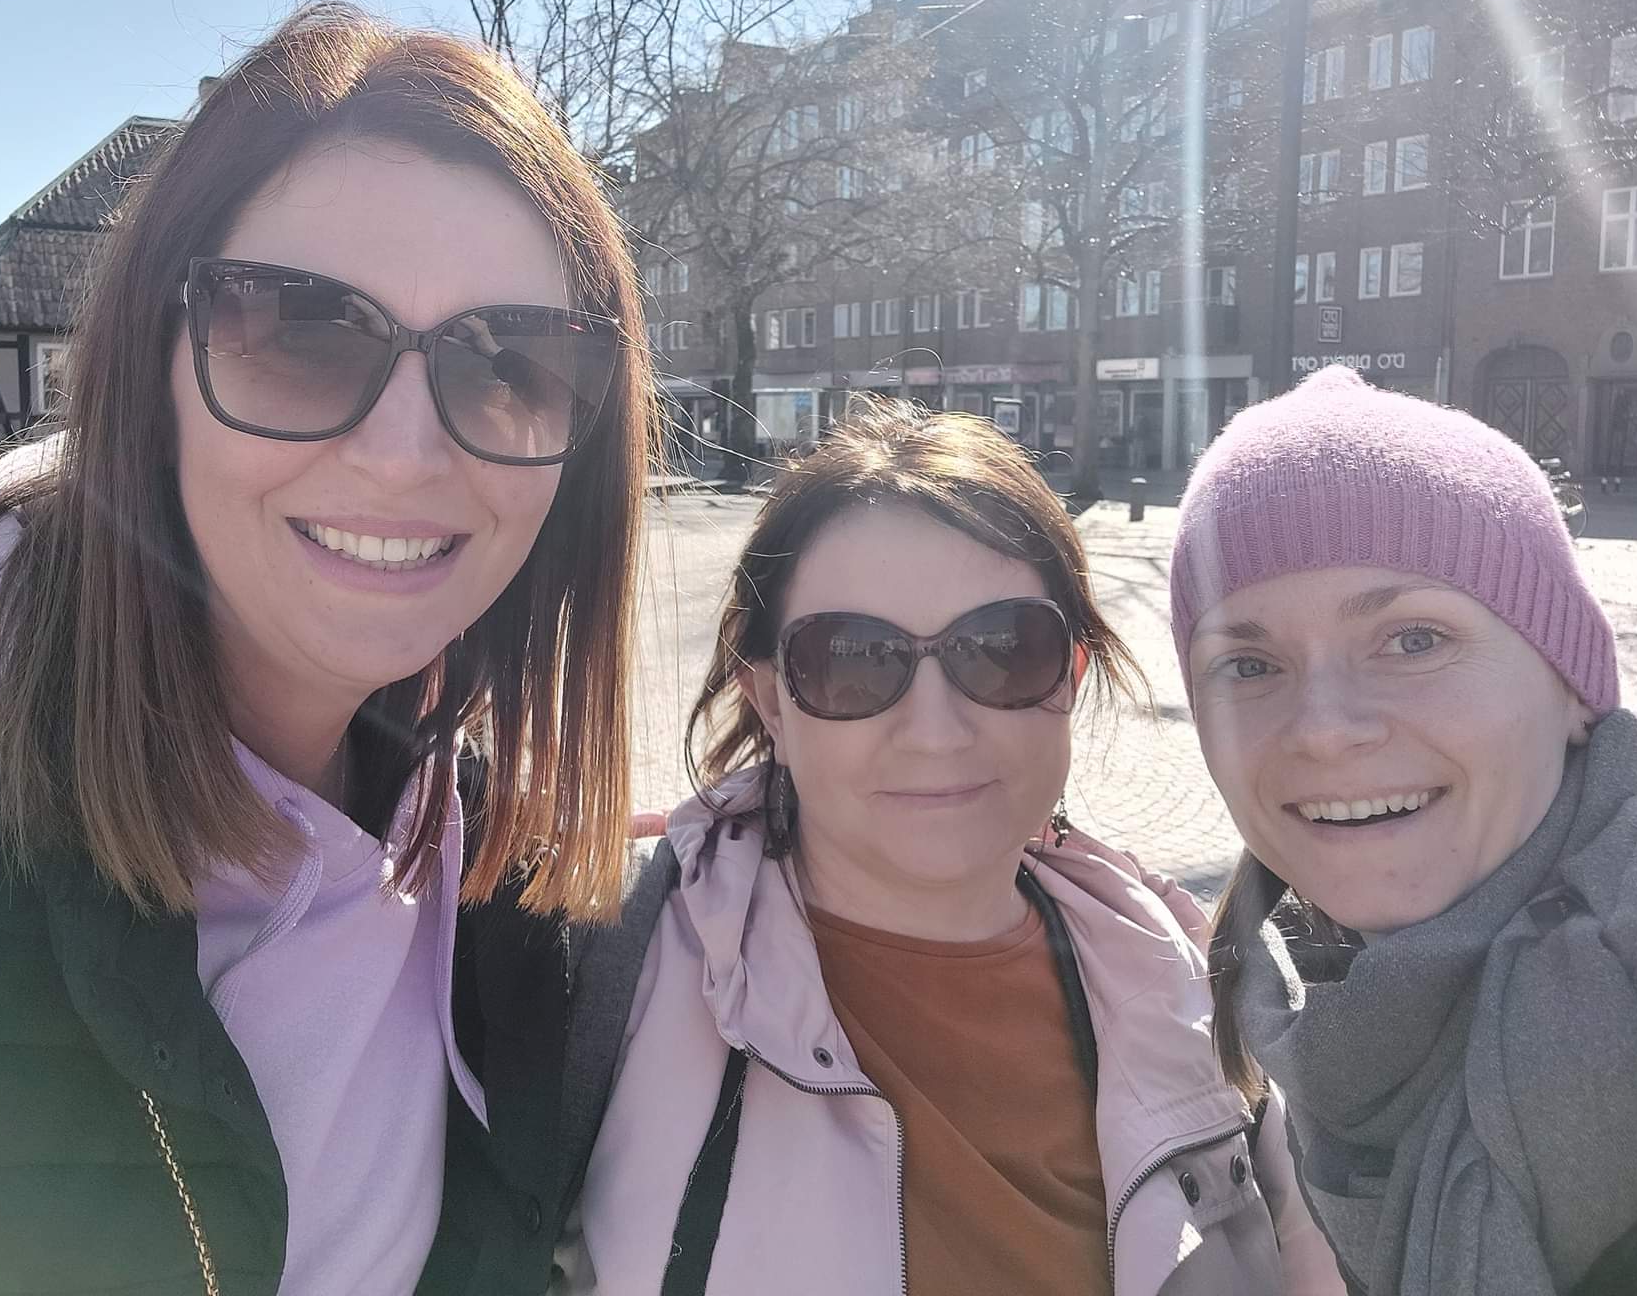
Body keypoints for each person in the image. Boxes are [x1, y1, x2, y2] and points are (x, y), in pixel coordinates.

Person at [0, 6, 656, 1296]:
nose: (406, 455)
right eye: (302, 332)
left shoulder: (490, 874)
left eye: (509, 360)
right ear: (147, 367)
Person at [561, 398, 1343, 1295]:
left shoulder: (1188, 977)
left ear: (1069, 675)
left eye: (1003, 650)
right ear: (771, 701)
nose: (935, 731)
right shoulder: (600, 967)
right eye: (852, 659)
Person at [1175, 366, 1637, 1296]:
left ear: (1574, 685)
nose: (1323, 730)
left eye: (1414, 640)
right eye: (1249, 664)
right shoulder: (1272, 1011)